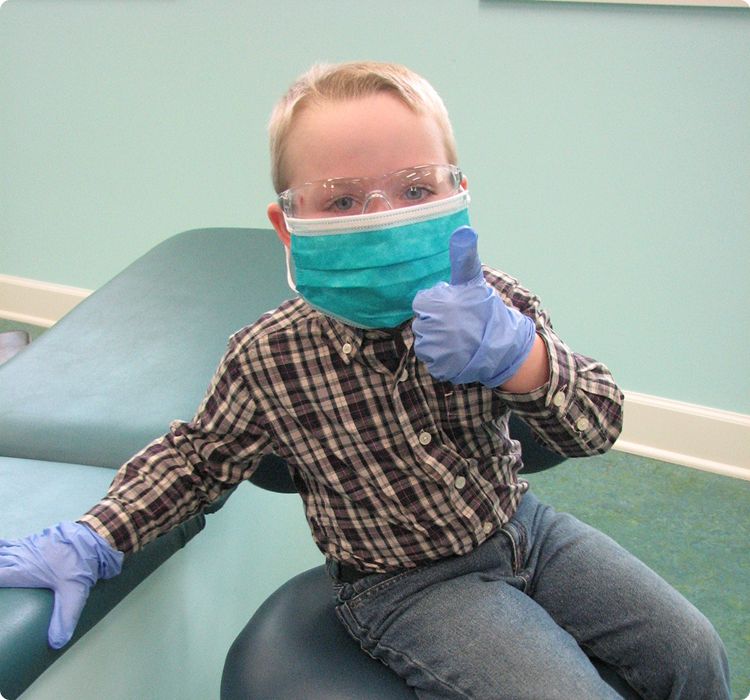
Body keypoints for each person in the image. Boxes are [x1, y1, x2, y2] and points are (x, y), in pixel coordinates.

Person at [0, 61, 731, 699]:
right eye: (342, 202)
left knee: (695, 653)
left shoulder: (495, 304)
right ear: (288, 226)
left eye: (415, 189)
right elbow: (196, 459)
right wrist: (97, 535)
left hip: (527, 529)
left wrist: (523, 360)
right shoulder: (269, 356)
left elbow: (597, 424)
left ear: (459, 196)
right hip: (404, 585)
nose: (381, 220)